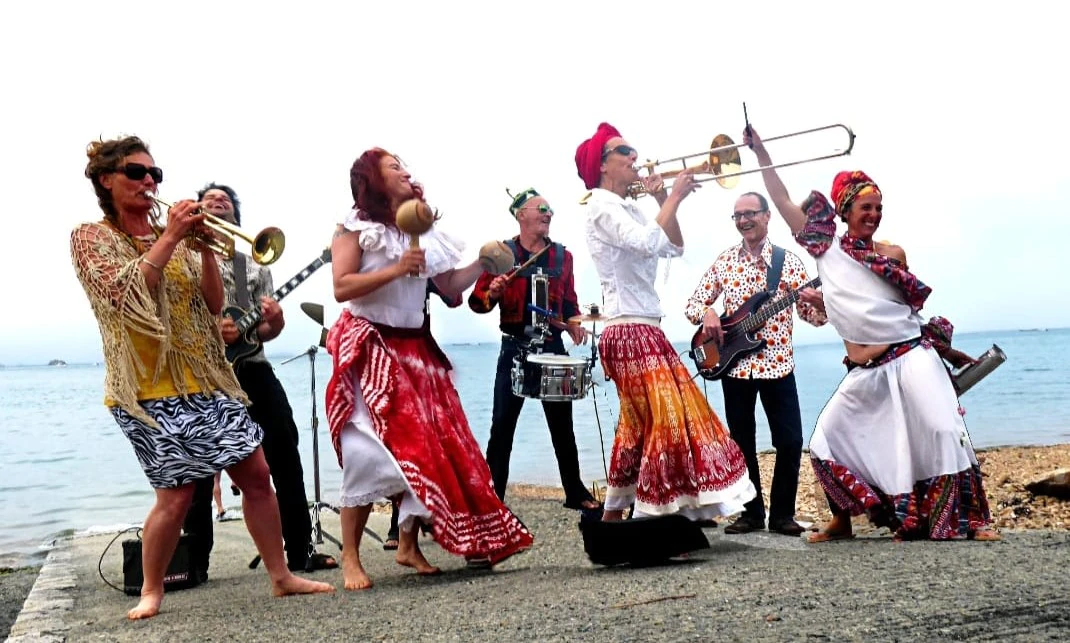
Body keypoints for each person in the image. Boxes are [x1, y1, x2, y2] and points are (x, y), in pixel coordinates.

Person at [71, 136, 332, 620]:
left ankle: (281, 576)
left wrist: (207, 250)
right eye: (137, 172)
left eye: (155, 174)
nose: (150, 181)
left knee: (257, 475)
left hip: (208, 379)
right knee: (176, 495)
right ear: (107, 179)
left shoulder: (178, 241)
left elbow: (213, 304)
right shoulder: (91, 237)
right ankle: (152, 589)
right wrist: (171, 238)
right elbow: (123, 293)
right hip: (147, 387)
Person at [743, 125, 999, 542]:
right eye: (866, 207)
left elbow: (900, 313)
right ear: (844, 211)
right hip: (868, 367)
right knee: (828, 436)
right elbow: (782, 199)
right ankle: (842, 522)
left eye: (879, 207)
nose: (874, 215)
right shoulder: (826, 249)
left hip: (912, 355)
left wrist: (946, 353)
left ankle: (969, 523)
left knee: (942, 430)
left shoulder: (892, 255)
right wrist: (761, 154)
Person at [327, 147, 533, 590]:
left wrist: (482, 262)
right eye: (393, 166)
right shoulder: (354, 227)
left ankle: (407, 545)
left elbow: (450, 288)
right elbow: (342, 287)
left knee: (429, 449)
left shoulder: (423, 227)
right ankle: (350, 557)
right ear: (372, 180)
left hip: (416, 348)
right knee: (367, 453)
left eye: (404, 164)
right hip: (371, 344)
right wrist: (397, 268)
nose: (404, 170)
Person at [574, 122, 756, 522]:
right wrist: (673, 195)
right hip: (627, 327)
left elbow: (672, 246)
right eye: (626, 152)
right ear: (604, 165)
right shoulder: (600, 205)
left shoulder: (630, 207)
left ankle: (616, 514)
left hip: (644, 326)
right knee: (669, 418)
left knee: (641, 424)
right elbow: (642, 243)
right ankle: (654, 514)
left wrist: (662, 199)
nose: (635, 157)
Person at [181, 183, 337, 575]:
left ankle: (300, 551)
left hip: (252, 366)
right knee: (201, 466)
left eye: (226, 202)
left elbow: (262, 332)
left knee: (285, 453)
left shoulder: (250, 263)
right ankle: (194, 561)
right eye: (209, 200)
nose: (218, 203)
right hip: (201, 373)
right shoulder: (180, 256)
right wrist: (211, 331)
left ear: (236, 217)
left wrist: (276, 323)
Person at [683, 191, 828, 535]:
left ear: (767, 216)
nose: (744, 220)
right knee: (742, 441)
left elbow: (814, 318)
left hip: (778, 365)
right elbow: (692, 305)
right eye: (737, 216)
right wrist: (708, 313)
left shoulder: (789, 263)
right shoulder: (725, 262)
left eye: (750, 213)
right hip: (735, 366)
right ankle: (750, 513)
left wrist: (819, 302)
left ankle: (781, 514)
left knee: (790, 440)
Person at [468, 188, 601, 512]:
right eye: (540, 208)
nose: (547, 213)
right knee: (502, 426)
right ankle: (492, 500)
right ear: (521, 215)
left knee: (562, 426)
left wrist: (574, 323)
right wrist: (493, 293)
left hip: (551, 347)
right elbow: (477, 302)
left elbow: (569, 303)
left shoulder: (562, 257)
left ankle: (574, 491)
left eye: (549, 209)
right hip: (514, 346)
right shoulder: (501, 254)